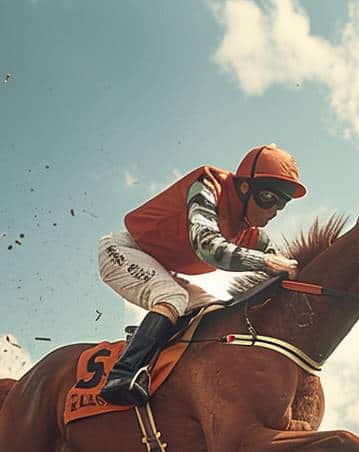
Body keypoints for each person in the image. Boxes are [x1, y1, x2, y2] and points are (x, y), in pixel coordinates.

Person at [97, 144, 306, 406]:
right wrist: (264, 261)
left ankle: (167, 367)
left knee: (213, 311)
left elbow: (286, 267)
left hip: (160, 266)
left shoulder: (252, 233)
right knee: (173, 297)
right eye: (269, 198)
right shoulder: (208, 187)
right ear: (244, 187)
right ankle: (123, 375)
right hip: (122, 250)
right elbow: (208, 248)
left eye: (282, 204)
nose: (273, 211)